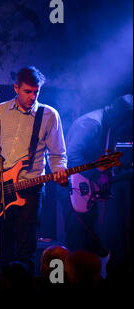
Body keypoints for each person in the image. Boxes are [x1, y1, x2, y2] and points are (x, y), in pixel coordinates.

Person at [0, 66, 68, 274]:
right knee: (1, 249)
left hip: (31, 188)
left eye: (36, 92)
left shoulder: (49, 115)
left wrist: (60, 171)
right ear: (16, 88)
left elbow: (58, 155)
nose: (33, 96)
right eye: (27, 91)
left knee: (26, 249)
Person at [61, 94, 133, 264]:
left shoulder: (107, 125)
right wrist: (97, 176)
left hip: (87, 186)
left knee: (90, 238)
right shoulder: (91, 124)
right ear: (120, 116)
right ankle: (71, 279)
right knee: (78, 238)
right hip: (74, 186)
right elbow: (72, 157)